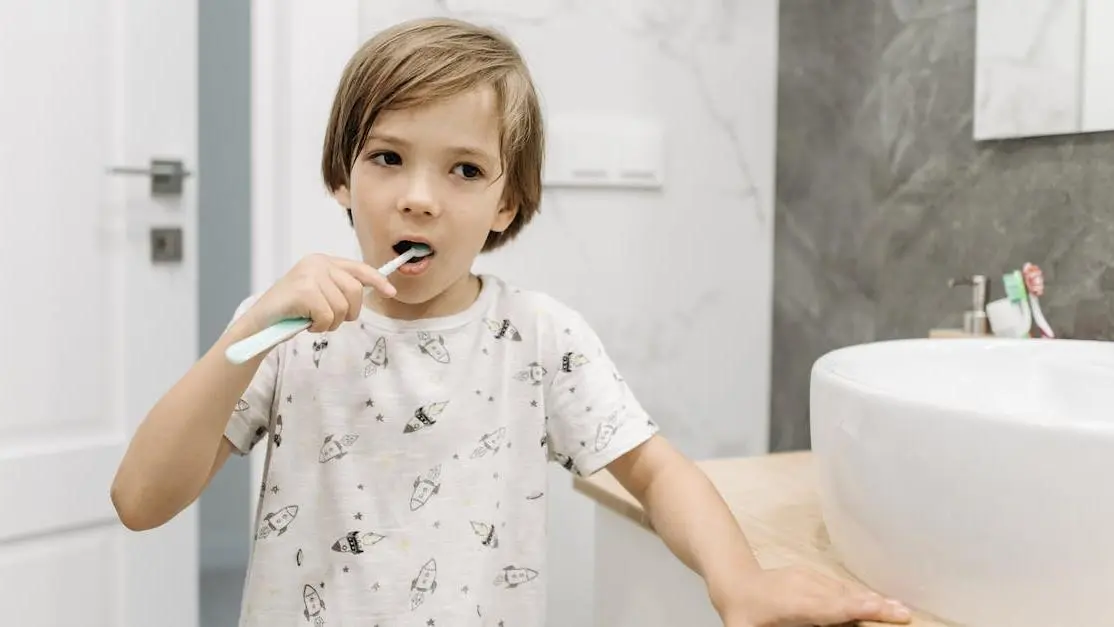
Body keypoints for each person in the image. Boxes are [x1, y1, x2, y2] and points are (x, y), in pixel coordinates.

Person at [110, 16, 911, 627]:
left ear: (506, 204)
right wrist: (245, 333)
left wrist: (738, 579)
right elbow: (140, 498)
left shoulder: (540, 338)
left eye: (463, 169)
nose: (419, 195)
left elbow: (658, 472)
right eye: (388, 157)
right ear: (341, 179)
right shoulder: (281, 335)